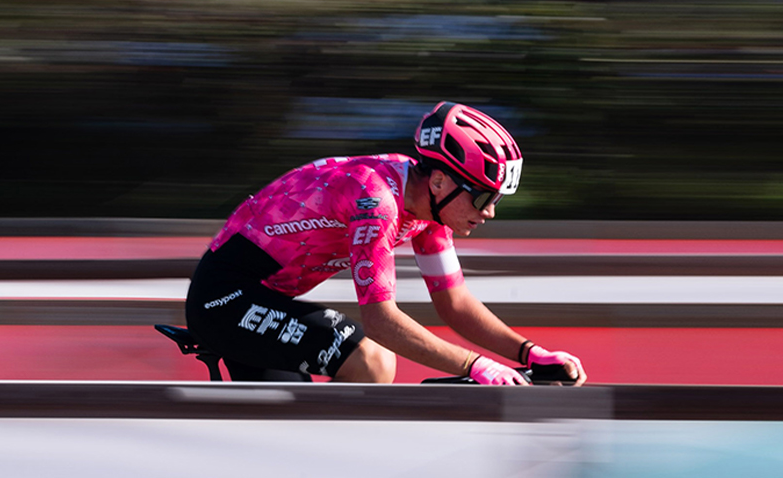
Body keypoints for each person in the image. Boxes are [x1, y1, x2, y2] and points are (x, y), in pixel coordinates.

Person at [185, 101, 587, 385]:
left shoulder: (429, 209)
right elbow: (380, 320)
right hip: (225, 299)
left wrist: (529, 354)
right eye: (483, 197)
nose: (490, 212)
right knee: (370, 361)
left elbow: (455, 303)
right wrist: (476, 365)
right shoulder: (376, 201)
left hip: (263, 300)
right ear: (440, 181)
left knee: (292, 442)